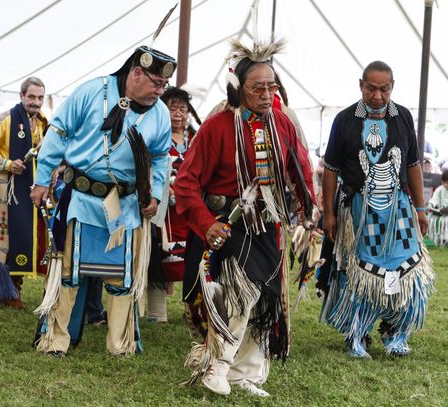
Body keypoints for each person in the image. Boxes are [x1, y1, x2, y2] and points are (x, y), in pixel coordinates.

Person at [174, 39, 316, 397]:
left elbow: (301, 171)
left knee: (266, 297)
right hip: (231, 224)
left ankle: (245, 373)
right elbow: (186, 183)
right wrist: (207, 224)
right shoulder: (218, 127)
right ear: (239, 89)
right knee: (239, 294)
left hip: (270, 225)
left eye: (272, 86)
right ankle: (216, 366)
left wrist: (307, 213)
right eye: (258, 88)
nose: (267, 94)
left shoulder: (282, 124)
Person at [31, 45, 175, 357]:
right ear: (135, 73)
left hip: (122, 204)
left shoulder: (159, 113)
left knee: (121, 275)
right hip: (81, 198)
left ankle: (120, 345)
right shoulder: (92, 92)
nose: (159, 92)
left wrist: (154, 194)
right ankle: (55, 341)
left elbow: (161, 157)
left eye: (163, 86)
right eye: (155, 83)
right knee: (68, 272)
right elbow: (58, 132)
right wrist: (43, 178)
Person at [320, 61, 435, 358]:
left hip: (398, 208)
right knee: (360, 271)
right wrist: (329, 214)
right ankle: (356, 333)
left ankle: (395, 332)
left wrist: (420, 208)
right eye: (371, 88)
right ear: (361, 85)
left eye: (384, 89)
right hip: (358, 210)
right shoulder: (345, 120)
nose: (378, 95)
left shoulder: (403, 117)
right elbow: (331, 168)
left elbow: (412, 164)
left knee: (406, 268)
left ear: (392, 86)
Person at [0, 77, 48, 309]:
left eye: (40, 98)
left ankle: (19, 286)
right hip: (7, 190)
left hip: (34, 190)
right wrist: (7, 163)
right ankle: (8, 292)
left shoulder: (44, 123)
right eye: (31, 97)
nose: (36, 102)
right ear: (21, 96)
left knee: (31, 236)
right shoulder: (4, 121)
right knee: (7, 239)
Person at [146, 86, 201, 323]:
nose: (178, 114)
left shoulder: (196, 138)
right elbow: (148, 170)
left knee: (193, 259)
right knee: (160, 257)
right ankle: (157, 312)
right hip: (164, 213)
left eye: (183, 109)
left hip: (189, 210)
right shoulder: (157, 137)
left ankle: (195, 307)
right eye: (172, 109)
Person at [427, 170, 448, 246]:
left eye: (447, 183)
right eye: (444, 182)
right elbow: (433, 201)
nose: (445, 185)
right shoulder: (439, 189)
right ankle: (439, 241)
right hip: (440, 213)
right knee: (434, 219)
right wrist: (432, 206)